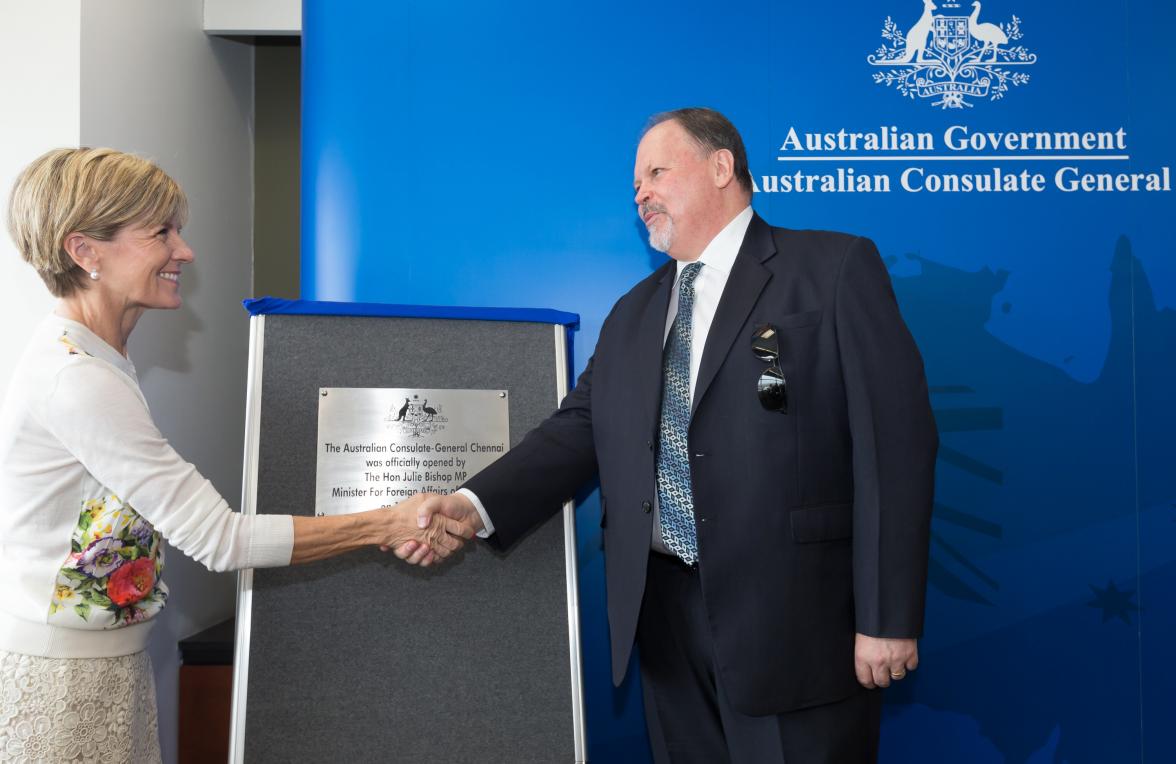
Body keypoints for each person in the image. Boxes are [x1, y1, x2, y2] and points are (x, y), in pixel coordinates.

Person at [413, 108, 938, 762]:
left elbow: (896, 446)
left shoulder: (832, 269)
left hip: (797, 624)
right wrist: (471, 505)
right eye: (635, 183)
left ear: (721, 167)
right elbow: (579, 429)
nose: (640, 193)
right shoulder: (635, 312)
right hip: (663, 620)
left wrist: (886, 618)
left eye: (657, 172)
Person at [0, 147, 471, 763]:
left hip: (105, 670)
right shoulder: (77, 376)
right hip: (66, 690)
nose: (184, 251)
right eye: (161, 232)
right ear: (85, 251)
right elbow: (220, 539)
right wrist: (386, 522)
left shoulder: (95, 360)